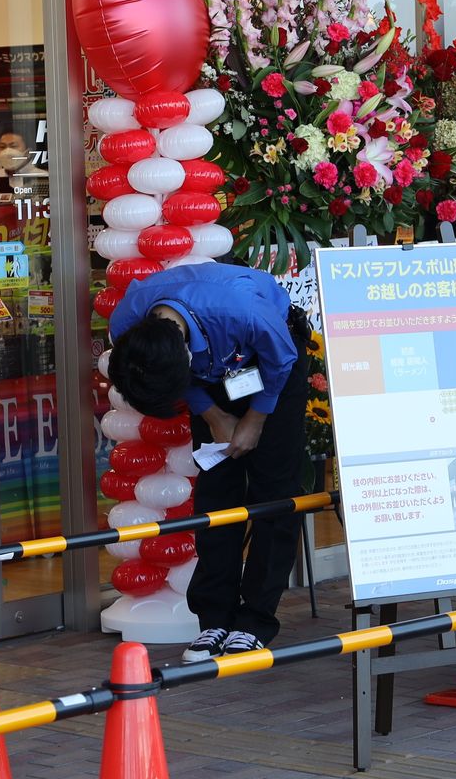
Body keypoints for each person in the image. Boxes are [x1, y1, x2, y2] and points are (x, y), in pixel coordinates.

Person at [106, 262, 310, 663]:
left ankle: (255, 621)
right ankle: (214, 619)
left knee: (274, 493)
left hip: (272, 364)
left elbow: (281, 359)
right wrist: (213, 415)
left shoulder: (241, 311)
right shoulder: (128, 325)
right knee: (216, 492)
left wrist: (254, 420)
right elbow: (181, 379)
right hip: (211, 374)